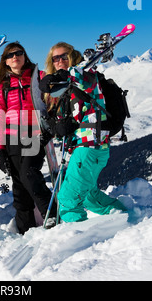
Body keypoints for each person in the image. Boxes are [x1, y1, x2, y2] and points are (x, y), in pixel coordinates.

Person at [39, 42, 127, 223]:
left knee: (67, 199)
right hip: (89, 149)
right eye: (55, 58)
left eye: (64, 56)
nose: (60, 61)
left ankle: (77, 241)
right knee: (89, 197)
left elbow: (82, 79)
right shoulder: (66, 88)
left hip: (89, 146)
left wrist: (62, 76)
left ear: (73, 56)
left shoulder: (86, 75)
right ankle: (125, 217)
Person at [0, 42, 57, 234]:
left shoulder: (39, 77)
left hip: (34, 133)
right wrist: (1, 150)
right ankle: (25, 228)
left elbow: (53, 103)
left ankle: (51, 212)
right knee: (19, 185)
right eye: (10, 55)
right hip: (12, 139)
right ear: (5, 61)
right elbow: (0, 119)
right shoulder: (3, 87)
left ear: (24, 55)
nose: (15, 57)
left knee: (29, 172)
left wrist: (50, 128)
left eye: (19, 53)